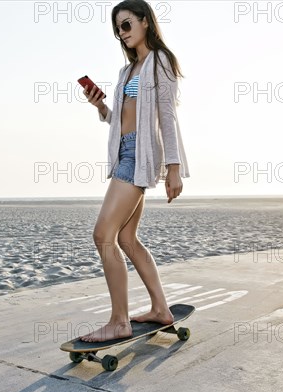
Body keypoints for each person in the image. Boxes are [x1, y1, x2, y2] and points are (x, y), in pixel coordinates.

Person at [80, 0, 190, 342]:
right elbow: (124, 120)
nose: (121, 33)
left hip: (138, 156)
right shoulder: (127, 71)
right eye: (117, 29)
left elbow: (166, 117)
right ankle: (160, 309)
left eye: (126, 24)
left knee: (103, 236)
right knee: (125, 239)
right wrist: (101, 107)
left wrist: (173, 168)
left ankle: (118, 321)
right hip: (125, 150)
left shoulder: (159, 62)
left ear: (145, 22)